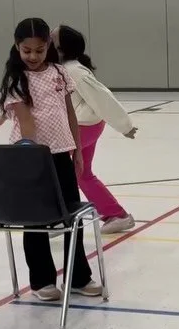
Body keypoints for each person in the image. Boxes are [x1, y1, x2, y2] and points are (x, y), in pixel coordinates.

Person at [0, 17, 102, 301]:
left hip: (62, 153)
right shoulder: (18, 79)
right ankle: (41, 281)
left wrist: (75, 151)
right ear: (17, 47)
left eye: (39, 50)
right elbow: (26, 124)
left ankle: (78, 278)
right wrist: (33, 158)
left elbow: (70, 113)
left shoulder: (61, 73)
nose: (33, 56)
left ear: (48, 46)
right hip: (30, 158)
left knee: (69, 217)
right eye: (27, 51)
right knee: (35, 220)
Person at [52, 25, 137, 234]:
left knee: (57, 172)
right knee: (83, 174)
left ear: (60, 47)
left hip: (81, 128)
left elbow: (102, 97)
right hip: (85, 126)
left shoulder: (73, 71)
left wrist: (124, 125)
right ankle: (116, 215)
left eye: (52, 37)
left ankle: (60, 219)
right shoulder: (65, 68)